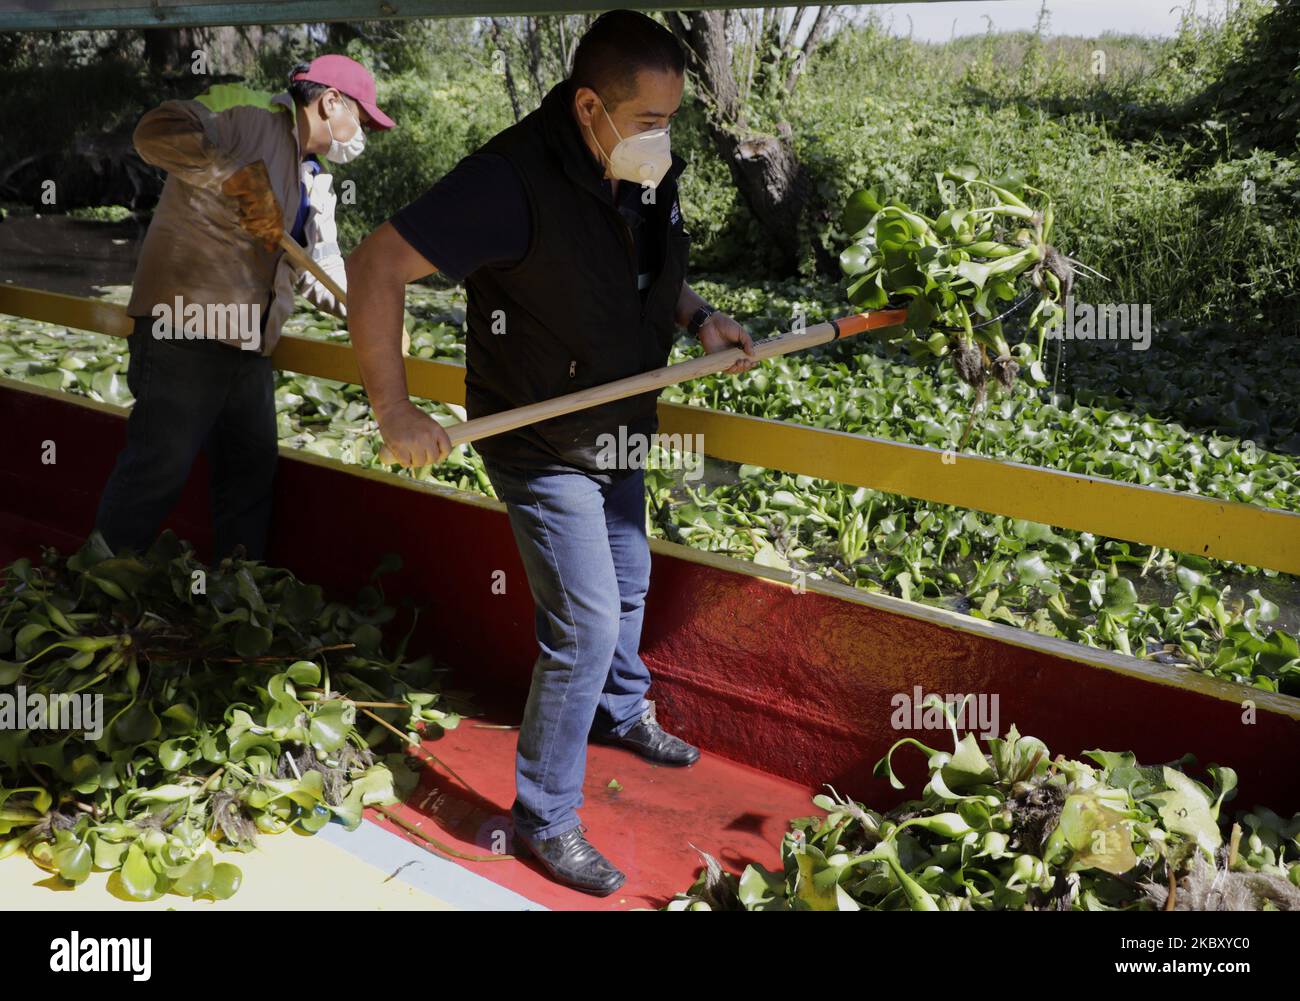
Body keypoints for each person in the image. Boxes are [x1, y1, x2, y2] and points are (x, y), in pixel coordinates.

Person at [346, 11, 755, 895]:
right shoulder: (505, 184)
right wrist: (395, 410)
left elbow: (644, 263)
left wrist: (696, 317)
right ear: (588, 107)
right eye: (651, 121)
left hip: (617, 415)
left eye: (672, 121)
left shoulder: (636, 161)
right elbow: (374, 263)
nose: (664, 138)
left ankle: (615, 713)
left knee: (632, 579)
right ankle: (545, 817)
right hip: (537, 432)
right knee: (586, 622)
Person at [95, 55, 392, 561]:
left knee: (250, 474)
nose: (362, 131)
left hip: (250, 347)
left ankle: (236, 593)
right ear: (331, 102)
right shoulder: (248, 125)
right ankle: (97, 585)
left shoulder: (317, 185)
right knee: (158, 467)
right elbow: (153, 133)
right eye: (362, 118)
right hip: (187, 331)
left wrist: (374, 313)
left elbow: (323, 275)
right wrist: (230, 176)